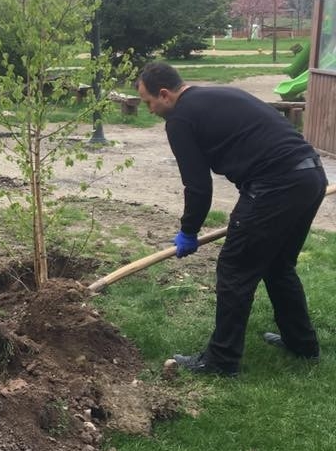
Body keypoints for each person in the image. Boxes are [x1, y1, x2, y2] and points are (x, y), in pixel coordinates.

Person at [137, 61, 327, 376]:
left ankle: (221, 361)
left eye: (148, 102)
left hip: (275, 186)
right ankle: (301, 344)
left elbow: (197, 186)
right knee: (278, 266)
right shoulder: (218, 96)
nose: (150, 110)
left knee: (235, 269)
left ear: (164, 94)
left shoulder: (180, 119)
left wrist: (188, 232)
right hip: (310, 176)